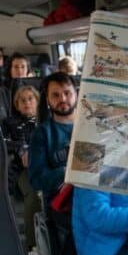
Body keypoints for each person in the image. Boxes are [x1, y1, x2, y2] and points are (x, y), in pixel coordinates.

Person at [1, 85, 47, 255]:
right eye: (22, 100)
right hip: (24, 170)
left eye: (31, 98)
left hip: (49, 166)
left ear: (38, 102)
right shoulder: (9, 122)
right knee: (35, 196)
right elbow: (3, 141)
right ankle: (33, 249)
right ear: (17, 105)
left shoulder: (47, 121)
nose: (27, 102)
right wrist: (22, 149)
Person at [28, 71, 77, 199]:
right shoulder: (41, 134)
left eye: (67, 93)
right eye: (55, 95)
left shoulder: (93, 125)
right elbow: (36, 179)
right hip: (66, 199)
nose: (63, 99)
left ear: (76, 94)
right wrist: (67, 173)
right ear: (47, 99)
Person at [0, 52, 33, 122]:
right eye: (16, 67)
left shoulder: (34, 89)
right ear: (10, 70)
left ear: (28, 71)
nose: (20, 71)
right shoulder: (1, 92)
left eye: (23, 67)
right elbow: (2, 121)